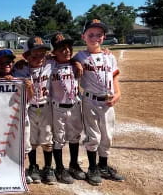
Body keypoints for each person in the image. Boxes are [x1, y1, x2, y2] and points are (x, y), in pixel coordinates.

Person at [74, 19, 125, 185]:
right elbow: (65, 61)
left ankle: (103, 166)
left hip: (108, 101)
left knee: (107, 135)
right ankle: (92, 167)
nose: (95, 37)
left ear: (104, 37)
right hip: (90, 101)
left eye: (99, 34)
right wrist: (75, 62)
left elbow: (114, 77)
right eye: (91, 34)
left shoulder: (109, 57)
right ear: (83, 36)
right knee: (93, 135)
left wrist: (118, 93)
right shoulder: (80, 56)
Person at [13, 36, 55, 185]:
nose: (39, 57)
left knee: (47, 138)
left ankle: (49, 167)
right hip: (30, 108)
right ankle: (32, 166)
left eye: (42, 53)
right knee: (31, 138)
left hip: (46, 107)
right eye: (34, 54)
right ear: (26, 56)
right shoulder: (20, 69)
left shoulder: (51, 63)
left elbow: (66, 59)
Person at [49, 33, 85, 184]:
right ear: (54, 52)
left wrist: (76, 62)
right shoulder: (49, 65)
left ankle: (74, 164)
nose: (67, 51)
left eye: (69, 47)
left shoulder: (75, 63)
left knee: (75, 136)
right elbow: (33, 61)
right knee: (59, 138)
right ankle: (59, 167)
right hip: (58, 108)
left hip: (75, 105)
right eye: (61, 48)